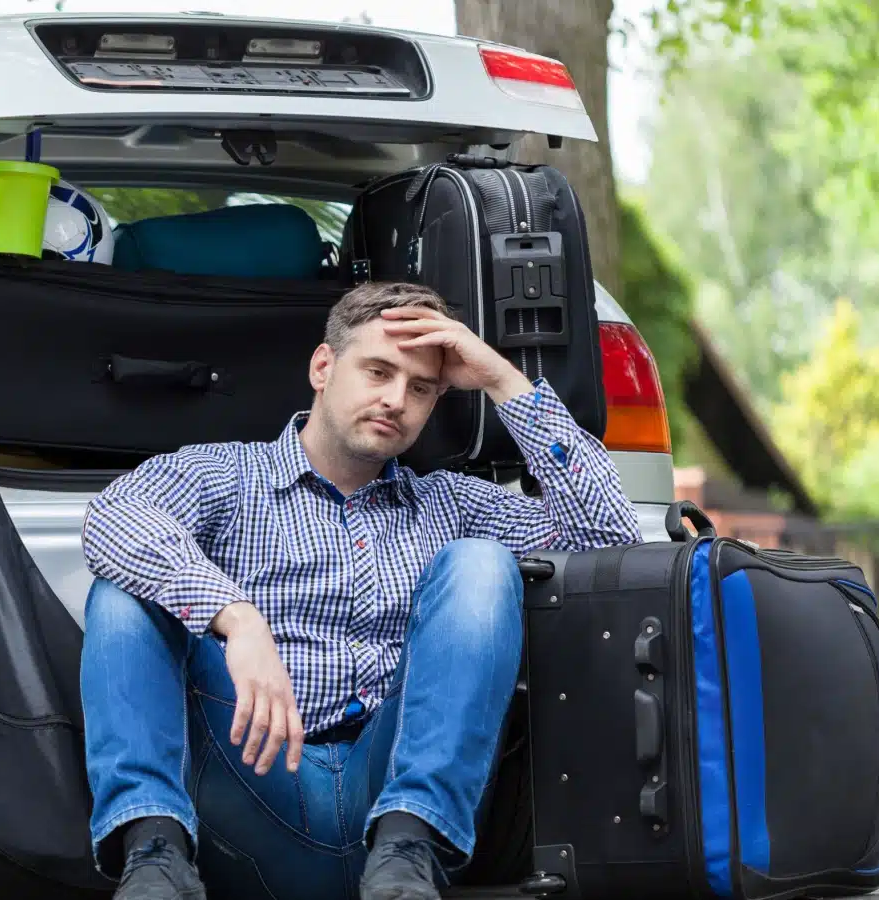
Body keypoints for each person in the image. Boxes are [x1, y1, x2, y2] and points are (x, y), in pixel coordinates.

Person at [79, 281, 642, 900]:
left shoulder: (451, 503)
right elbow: (113, 517)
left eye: (421, 388)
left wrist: (503, 379)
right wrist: (236, 618)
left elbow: (609, 543)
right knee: (123, 596)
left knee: (480, 565)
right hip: (253, 786)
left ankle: (410, 844)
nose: (395, 399)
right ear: (324, 366)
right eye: (378, 371)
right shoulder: (227, 476)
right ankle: (154, 858)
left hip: (400, 805)